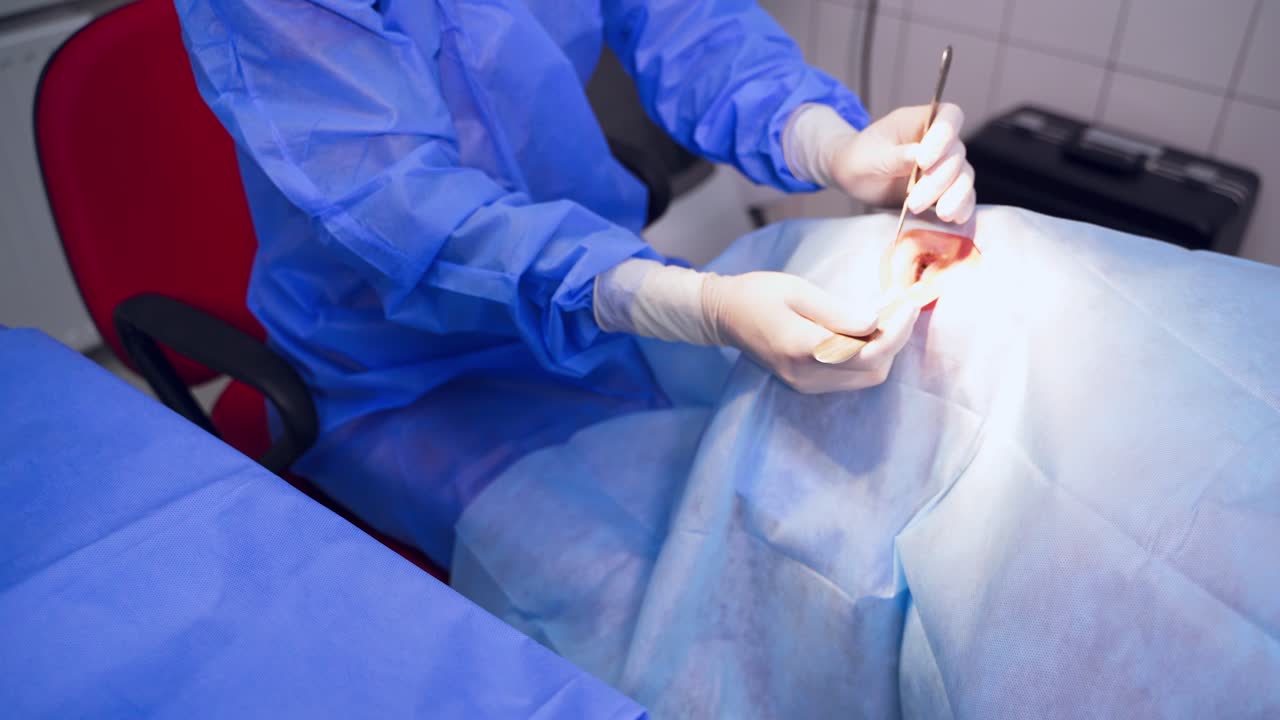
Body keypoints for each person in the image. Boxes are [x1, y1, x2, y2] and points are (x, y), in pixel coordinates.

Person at [175, 0, 976, 564]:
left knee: (812, 504)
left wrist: (825, 140)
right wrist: (692, 305)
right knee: (673, 584)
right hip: (403, 375)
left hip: (600, 306)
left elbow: (689, 26)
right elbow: (412, 213)